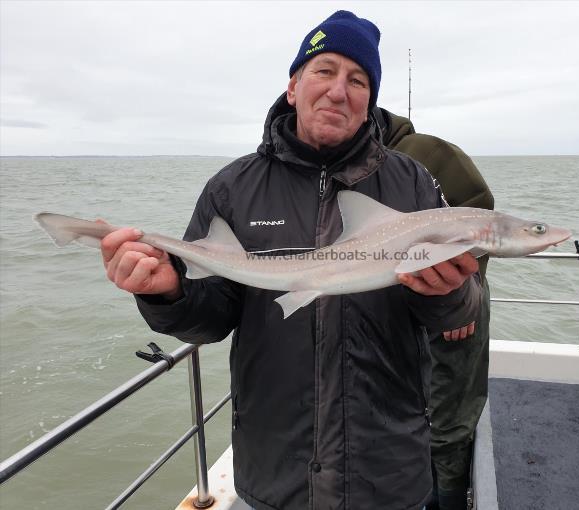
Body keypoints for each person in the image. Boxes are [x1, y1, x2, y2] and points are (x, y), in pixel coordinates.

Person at [99, 11, 482, 510]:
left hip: (387, 465)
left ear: (370, 101)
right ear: (293, 85)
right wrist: (167, 292)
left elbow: (456, 314)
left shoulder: (412, 183)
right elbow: (211, 318)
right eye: (324, 71)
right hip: (275, 462)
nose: (339, 90)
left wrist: (450, 295)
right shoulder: (232, 188)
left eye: (358, 80)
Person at [374, 108, 494, 510]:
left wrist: (467, 295)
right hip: (413, 301)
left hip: (459, 295)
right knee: (415, 414)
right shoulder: (361, 169)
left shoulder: (428, 152)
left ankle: (450, 499)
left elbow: (482, 215)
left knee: (448, 422)